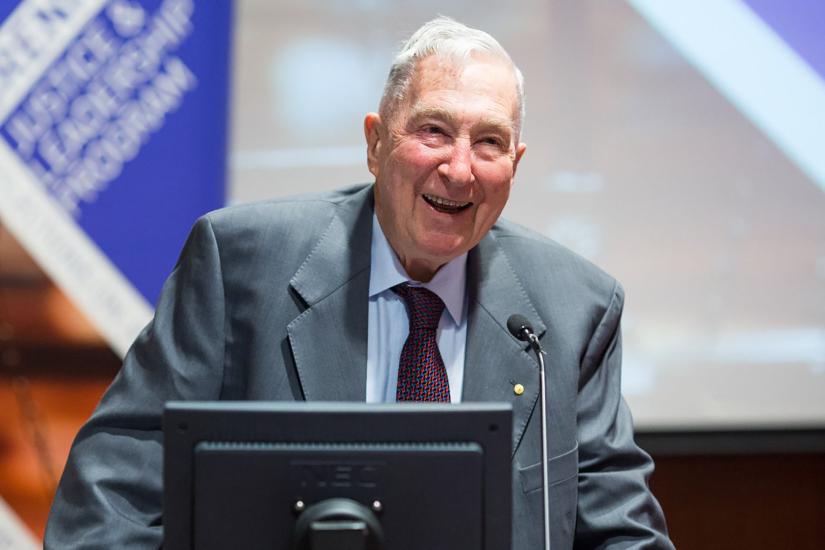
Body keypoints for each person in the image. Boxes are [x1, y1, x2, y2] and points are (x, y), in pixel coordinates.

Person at [45, 16, 674, 549]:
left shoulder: (573, 309)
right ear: (375, 143)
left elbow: (620, 528)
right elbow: (112, 491)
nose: (459, 170)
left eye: (489, 142)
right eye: (433, 131)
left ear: (516, 163)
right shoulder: (238, 266)